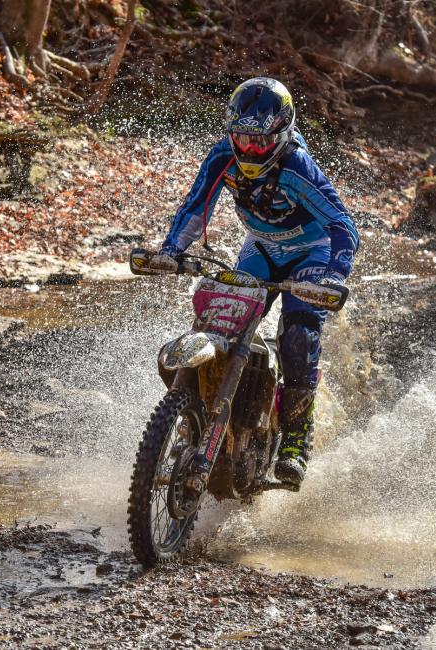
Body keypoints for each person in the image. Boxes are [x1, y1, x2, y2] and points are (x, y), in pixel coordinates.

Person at [155, 77, 359, 486]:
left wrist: (334, 275)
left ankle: (296, 440)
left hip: (312, 251)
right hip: (262, 247)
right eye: (241, 139)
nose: (249, 149)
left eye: (259, 142)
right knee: (221, 319)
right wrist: (171, 250)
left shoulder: (298, 166)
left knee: (297, 336)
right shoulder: (221, 158)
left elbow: (342, 225)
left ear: (282, 133)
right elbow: (196, 206)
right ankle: (196, 412)